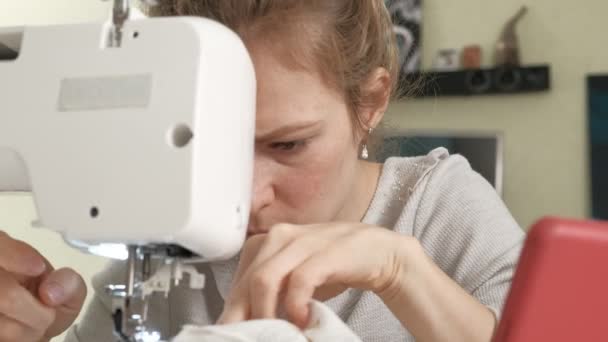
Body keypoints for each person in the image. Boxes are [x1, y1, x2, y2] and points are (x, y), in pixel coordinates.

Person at [0, 1, 524, 341]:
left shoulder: (441, 209)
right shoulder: (158, 249)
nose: (248, 196)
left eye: (289, 144)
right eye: (201, 147)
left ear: (370, 102)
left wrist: (398, 271)